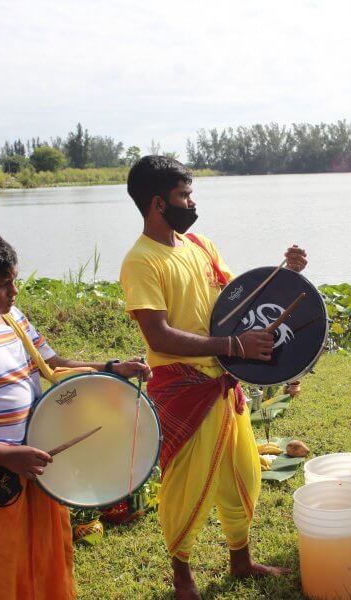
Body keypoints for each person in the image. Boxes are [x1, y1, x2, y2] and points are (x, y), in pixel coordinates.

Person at [119, 155, 307, 599]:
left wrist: (283, 274)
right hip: (183, 386)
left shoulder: (200, 245)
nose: (191, 202)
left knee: (242, 473)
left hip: (224, 383)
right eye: (184, 195)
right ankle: (183, 577)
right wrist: (233, 347)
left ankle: (241, 560)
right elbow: (158, 335)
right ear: (158, 203)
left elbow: (236, 301)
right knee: (186, 486)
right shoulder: (141, 261)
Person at [0, 231, 150, 600]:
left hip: (33, 463)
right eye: (3, 284)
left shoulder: (11, 318)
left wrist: (111, 368)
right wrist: (4, 455)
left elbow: (51, 364)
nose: (14, 291)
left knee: (40, 557)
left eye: (15, 280)